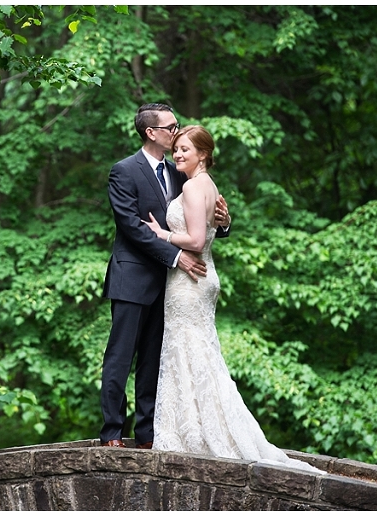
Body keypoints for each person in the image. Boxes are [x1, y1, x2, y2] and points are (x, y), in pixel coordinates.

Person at [143, 125, 322, 473]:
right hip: (199, 277)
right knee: (197, 353)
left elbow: (195, 240)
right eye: (176, 149)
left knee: (187, 349)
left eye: (185, 150)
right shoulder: (205, 185)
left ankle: (194, 434)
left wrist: (160, 232)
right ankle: (193, 429)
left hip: (189, 280)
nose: (178, 154)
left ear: (203, 155)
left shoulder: (195, 186)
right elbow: (212, 227)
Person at [99, 105, 231, 449]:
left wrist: (225, 220)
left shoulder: (179, 173)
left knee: (154, 361)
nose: (176, 132)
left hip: (172, 286)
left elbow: (199, 219)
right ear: (151, 133)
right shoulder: (123, 171)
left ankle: (147, 434)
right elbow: (131, 226)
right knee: (120, 356)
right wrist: (175, 256)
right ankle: (113, 431)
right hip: (133, 279)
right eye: (171, 127)